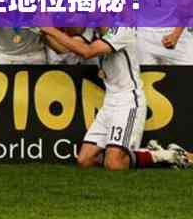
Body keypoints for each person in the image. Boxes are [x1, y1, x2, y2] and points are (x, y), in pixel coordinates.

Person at [40, 27, 188, 170]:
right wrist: (41, 32)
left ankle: (162, 155)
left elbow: (87, 52)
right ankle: (141, 153)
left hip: (129, 101)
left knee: (114, 164)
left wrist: (49, 28)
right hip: (109, 102)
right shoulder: (94, 32)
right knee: (85, 160)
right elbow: (62, 49)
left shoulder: (122, 29)